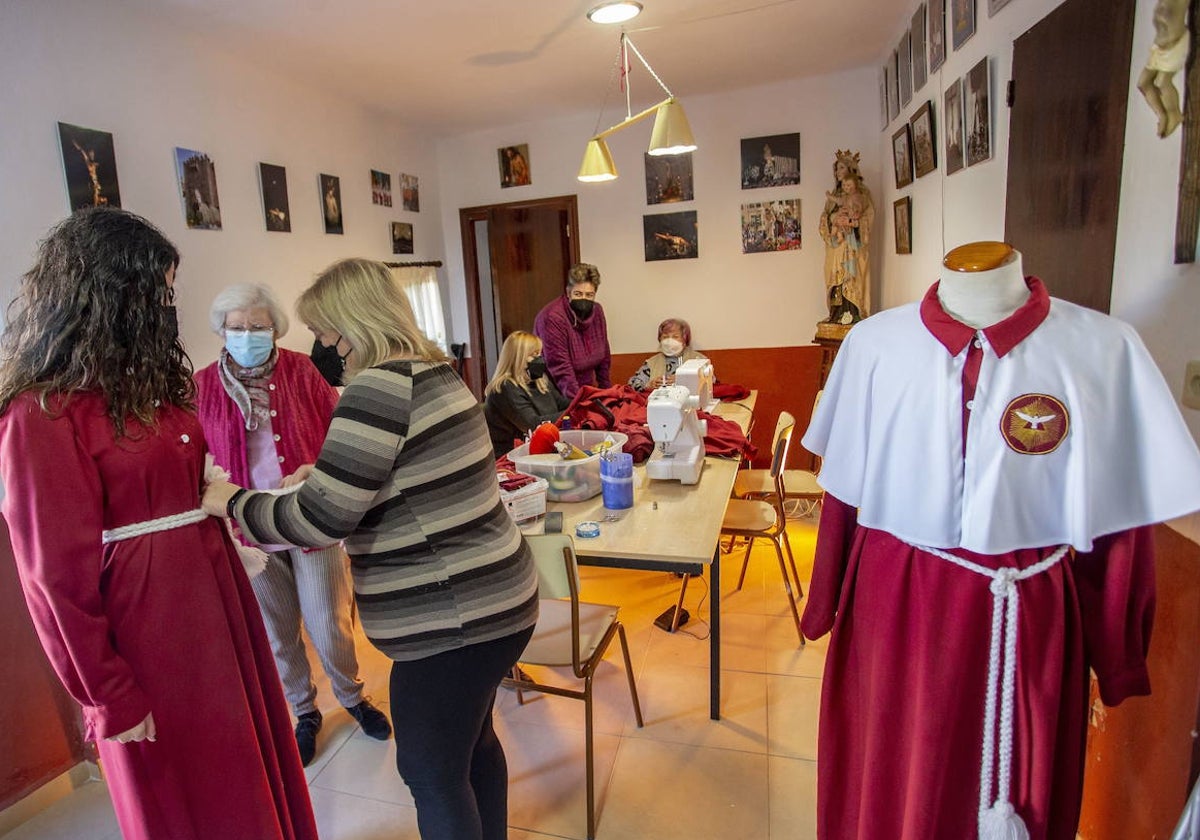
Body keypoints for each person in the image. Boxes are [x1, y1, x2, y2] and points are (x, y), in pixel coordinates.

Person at [800, 241, 1200, 840]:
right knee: (891, 781)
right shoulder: (874, 343)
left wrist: (1115, 654)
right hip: (895, 612)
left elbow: (1120, 524)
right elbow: (843, 493)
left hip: (1026, 622)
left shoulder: (1104, 348)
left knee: (1017, 790)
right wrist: (824, 603)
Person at [0, 207, 317, 840]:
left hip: (214, 596)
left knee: (245, 760)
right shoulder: (42, 413)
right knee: (190, 783)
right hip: (150, 622)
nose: (165, 308)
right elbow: (52, 578)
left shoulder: (145, 388)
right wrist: (107, 691)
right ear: (106, 296)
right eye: (156, 293)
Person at [201, 257, 538, 840]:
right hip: (500, 599)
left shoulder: (376, 388)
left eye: (325, 334)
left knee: (431, 772)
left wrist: (230, 501)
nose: (322, 347)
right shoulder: (435, 372)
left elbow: (319, 518)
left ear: (352, 326)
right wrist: (321, 473)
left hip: (450, 622)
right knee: (473, 746)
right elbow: (400, 474)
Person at [194, 282, 391, 766]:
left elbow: (339, 431)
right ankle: (304, 711)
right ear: (221, 330)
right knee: (277, 629)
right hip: (249, 531)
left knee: (329, 624)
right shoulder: (201, 387)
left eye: (257, 326)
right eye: (237, 327)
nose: (246, 335)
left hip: (308, 520)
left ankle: (352, 697)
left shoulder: (302, 370)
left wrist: (317, 472)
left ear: (275, 329)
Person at [483, 330, 570, 458]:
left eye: (540, 354)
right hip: (510, 457)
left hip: (540, 451)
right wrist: (572, 413)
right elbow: (532, 425)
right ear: (518, 358)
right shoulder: (504, 388)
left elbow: (562, 403)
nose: (540, 359)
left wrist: (585, 402)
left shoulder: (540, 380)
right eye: (534, 355)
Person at [533, 262, 611, 399]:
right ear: (568, 293)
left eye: (589, 295)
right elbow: (561, 369)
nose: (584, 299)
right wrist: (579, 402)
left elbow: (604, 356)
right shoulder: (553, 317)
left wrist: (607, 393)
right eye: (578, 294)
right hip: (555, 394)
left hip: (588, 390)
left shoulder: (597, 311)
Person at [818, 149, 875, 326]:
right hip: (836, 247)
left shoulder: (862, 195)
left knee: (852, 275)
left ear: (851, 170)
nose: (838, 172)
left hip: (853, 246)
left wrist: (853, 223)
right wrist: (833, 219)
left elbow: (867, 218)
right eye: (836, 169)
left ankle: (854, 313)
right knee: (835, 278)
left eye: (841, 167)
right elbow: (824, 218)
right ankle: (837, 314)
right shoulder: (835, 197)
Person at [1138, 0, 1189, 138]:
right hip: (1159, 45)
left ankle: (1174, 114)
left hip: (1175, 43)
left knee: (1162, 82)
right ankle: (1162, 115)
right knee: (1143, 83)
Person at [627, 317, 708, 392]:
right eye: (665, 337)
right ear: (660, 340)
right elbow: (633, 384)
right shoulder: (652, 363)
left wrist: (684, 381)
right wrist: (648, 385)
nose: (669, 341)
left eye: (675, 336)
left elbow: (710, 382)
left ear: (685, 339)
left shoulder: (698, 359)